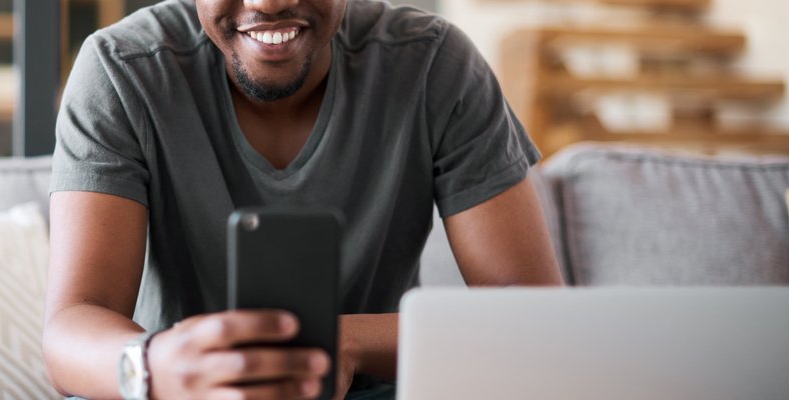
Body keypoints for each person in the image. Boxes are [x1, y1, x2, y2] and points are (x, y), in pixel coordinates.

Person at [40, 0, 565, 396]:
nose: (268, 2)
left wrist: (350, 343)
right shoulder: (122, 69)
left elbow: (532, 317)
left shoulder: (434, 66)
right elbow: (73, 326)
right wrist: (155, 365)